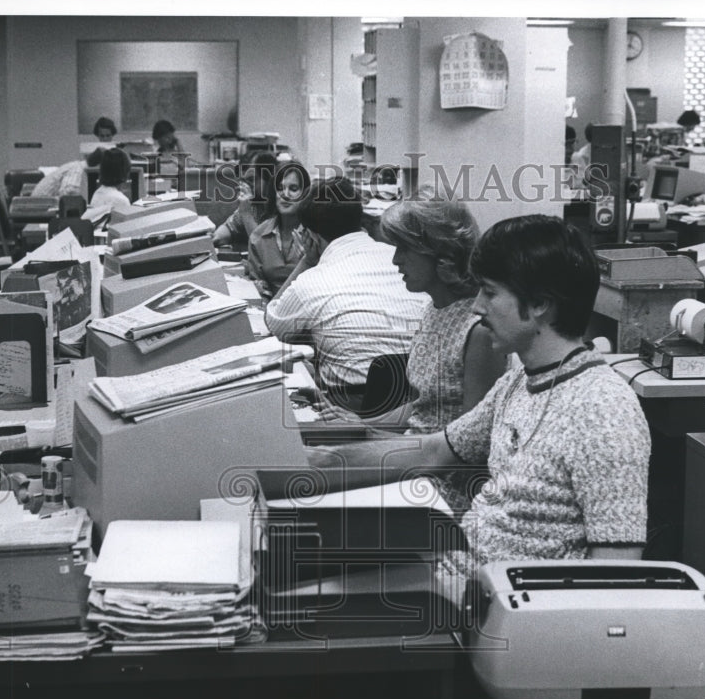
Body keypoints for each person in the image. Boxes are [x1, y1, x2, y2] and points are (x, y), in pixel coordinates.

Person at [307, 215, 650, 582]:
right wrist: (317, 462)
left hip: (500, 614)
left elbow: (617, 573)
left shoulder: (604, 409)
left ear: (538, 304)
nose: (476, 307)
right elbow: (432, 451)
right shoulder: (520, 380)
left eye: (489, 292)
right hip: (456, 575)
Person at [318, 187, 509, 434]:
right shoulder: (434, 308)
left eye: (404, 248)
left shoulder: (479, 329)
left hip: (437, 466)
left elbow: (470, 440)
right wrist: (360, 424)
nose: (395, 259)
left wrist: (370, 438)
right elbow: (420, 405)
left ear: (440, 252)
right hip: (413, 450)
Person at [264, 176, 428, 412]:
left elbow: (274, 326)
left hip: (352, 405)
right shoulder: (401, 260)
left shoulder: (312, 281)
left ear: (310, 236)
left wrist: (308, 261)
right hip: (419, 398)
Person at [246, 160, 310, 298]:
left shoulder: (316, 235)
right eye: (280, 188)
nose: (285, 195)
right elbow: (257, 283)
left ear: (305, 194)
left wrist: (311, 261)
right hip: (270, 308)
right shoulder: (259, 236)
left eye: (293, 189)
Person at [212, 151, 278, 251]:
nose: (245, 186)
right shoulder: (253, 205)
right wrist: (211, 238)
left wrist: (246, 213)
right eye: (242, 181)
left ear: (269, 179)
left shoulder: (283, 207)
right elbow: (224, 232)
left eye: (251, 180)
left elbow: (265, 251)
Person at [30, 148, 103, 199]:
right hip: (40, 208)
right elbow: (68, 193)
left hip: (42, 204)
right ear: (99, 165)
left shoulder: (76, 165)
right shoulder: (77, 170)